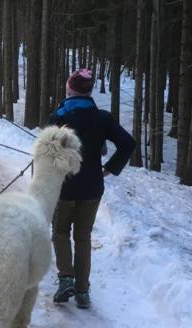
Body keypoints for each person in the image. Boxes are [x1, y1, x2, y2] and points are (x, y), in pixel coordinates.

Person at [47, 68, 135, 309]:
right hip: (93, 186)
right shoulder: (103, 118)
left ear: (70, 88)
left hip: (64, 187)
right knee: (83, 237)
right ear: (89, 91)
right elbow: (128, 143)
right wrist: (110, 168)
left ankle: (66, 278)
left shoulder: (57, 118)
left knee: (60, 231)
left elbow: (47, 155)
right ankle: (82, 291)